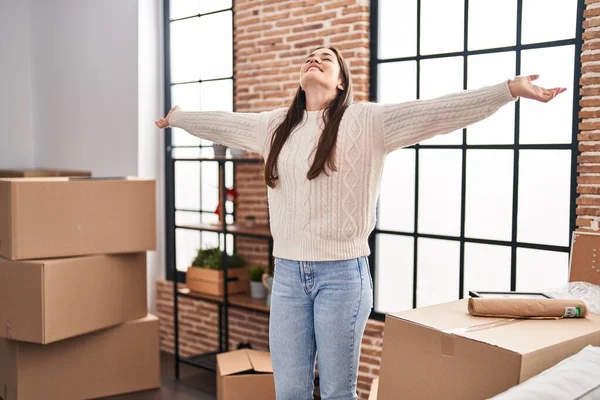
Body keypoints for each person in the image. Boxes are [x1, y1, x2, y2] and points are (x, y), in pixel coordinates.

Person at [156, 47, 565, 400]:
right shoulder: (275, 126)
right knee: (290, 391)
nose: (314, 58)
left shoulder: (367, 121)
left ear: (340, 83)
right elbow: (224, 123)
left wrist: (507, 90)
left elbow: (437, 111)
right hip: (286, 278)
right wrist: (179, 118)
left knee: (337, 391)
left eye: (327, 58)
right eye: (309, 56)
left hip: (342, 278)